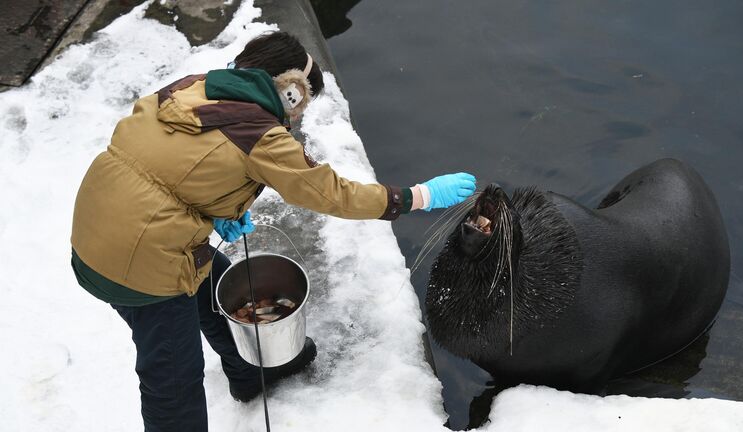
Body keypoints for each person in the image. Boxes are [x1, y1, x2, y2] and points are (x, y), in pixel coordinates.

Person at [70, 31, 476, 432]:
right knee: (173, 378)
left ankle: (251, 371)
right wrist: (415, 196)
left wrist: (213, 215)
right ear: (291, 91)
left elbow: (171, 165)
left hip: (97, 230)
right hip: (138, 262)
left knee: (222, 282)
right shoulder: (259, 133)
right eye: (300, 106)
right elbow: (330, 192)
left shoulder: (193, 88)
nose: (296, 119)